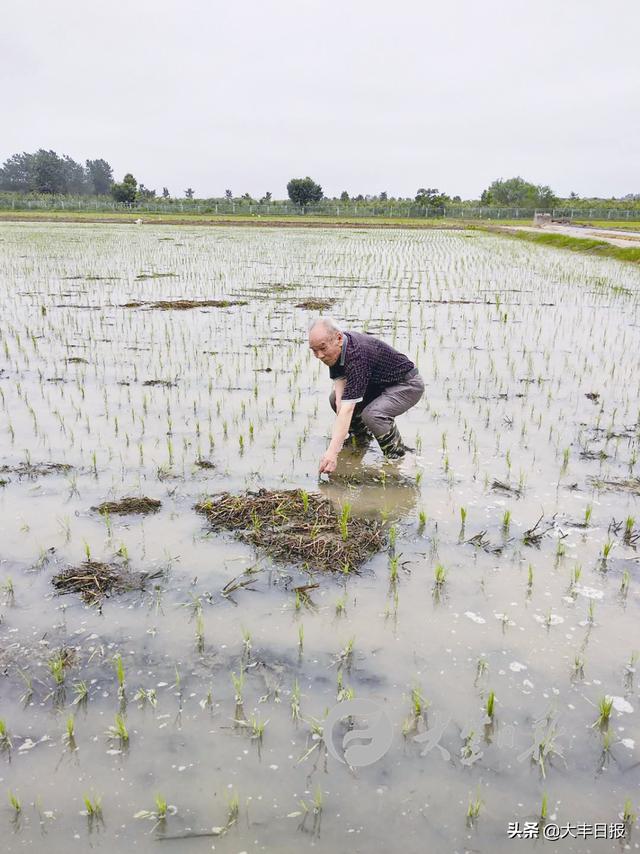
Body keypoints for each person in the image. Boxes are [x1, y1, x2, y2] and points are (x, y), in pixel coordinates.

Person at [308, 317, 425, 474]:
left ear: (338, 338)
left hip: (406, 384)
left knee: (373, 414)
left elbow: (348, 409)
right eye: (314, 350)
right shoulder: (336, 351)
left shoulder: (357, 355)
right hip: (378, 385)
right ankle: (361, 438)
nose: (320, 355)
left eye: (323, 348)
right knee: (334, 398)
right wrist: (338, 442)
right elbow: (340, 400)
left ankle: (399, 457)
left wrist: (332, 453)